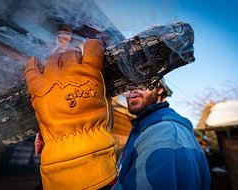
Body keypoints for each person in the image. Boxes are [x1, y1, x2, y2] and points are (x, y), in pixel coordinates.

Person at [25, 38, 210, 189]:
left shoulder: (164, 134)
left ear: (161, 90)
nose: (134, 91)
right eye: (131, 85)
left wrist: (74, 159)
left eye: (145, 84)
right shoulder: (145, 128)